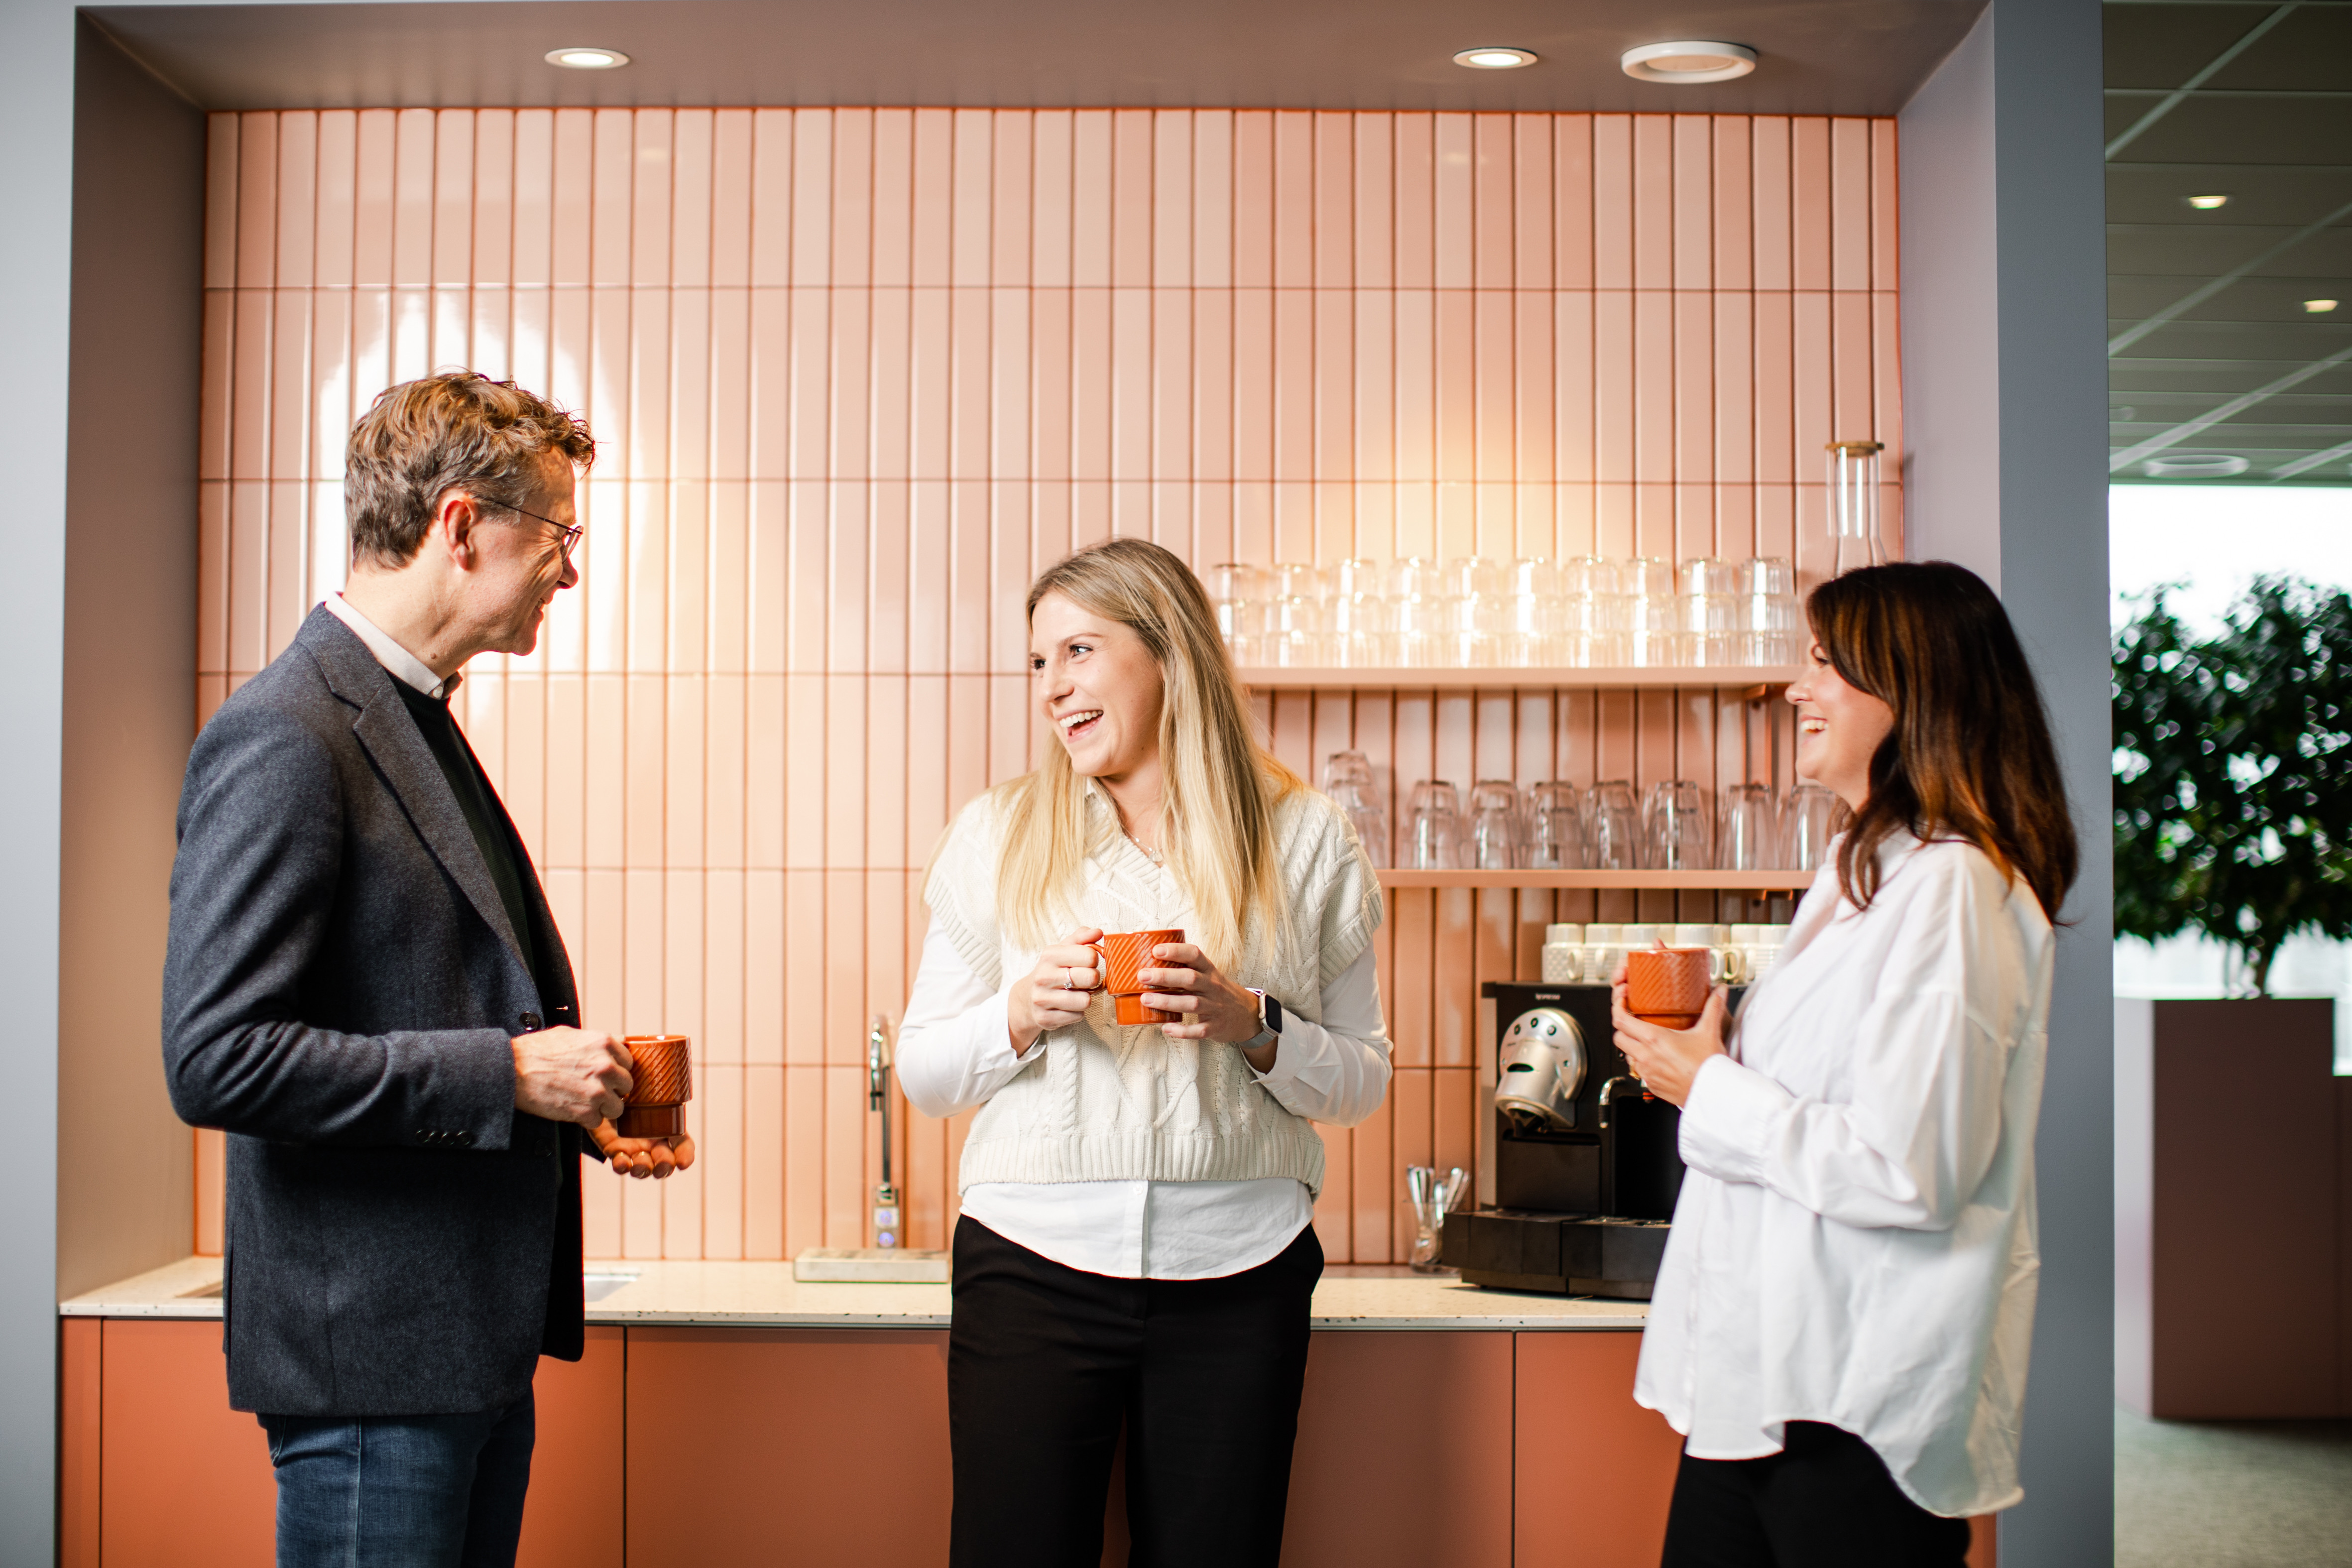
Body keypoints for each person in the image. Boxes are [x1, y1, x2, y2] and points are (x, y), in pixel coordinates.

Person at [162, 372, 692, 1568]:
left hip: (459, 1354)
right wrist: (506, 1076)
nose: (569, 571)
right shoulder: (288, 733)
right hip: (375, 1369)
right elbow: (216, 1058)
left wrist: (573, 1103)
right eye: (557, 536)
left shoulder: (410, 718)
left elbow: (421, 998)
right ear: (460, 526)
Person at [897, 537, 1391, 1568]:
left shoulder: (1306, 837)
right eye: (1039, 662)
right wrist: (1019, 1014)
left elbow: (1361, 1079)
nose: (1050, 688)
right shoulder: (997, 834)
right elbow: (927, 1074)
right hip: (1029, 1269)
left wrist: (1252, 1022)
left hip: (1241, 1272)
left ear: (1168, 652)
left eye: (1078, 651)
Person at [1611, 560, 2078, 1567]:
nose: (1796, 688)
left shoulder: (1955, 889)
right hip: (1765, 1385)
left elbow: (1911, 1170)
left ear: (1912, 689)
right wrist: (1701, 1053)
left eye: (1825, 663)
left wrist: (1708, 1084)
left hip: (1854, 1401)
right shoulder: (1858, 871)